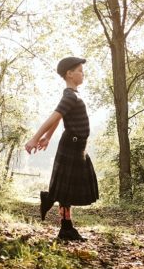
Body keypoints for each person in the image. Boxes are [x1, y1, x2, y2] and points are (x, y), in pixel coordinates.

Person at [25, 57, 99, 241]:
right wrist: (35, 138)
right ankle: (64, 224)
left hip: (77, 146)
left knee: (69, 189)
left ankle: (55, 208)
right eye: (80, 70)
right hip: (71, 145)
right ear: (69, 74)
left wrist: (48, 137)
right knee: (67, 189)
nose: (83, 73)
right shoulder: (70, 96)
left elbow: (60, 119)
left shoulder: (74, 95)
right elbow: (54, 116)